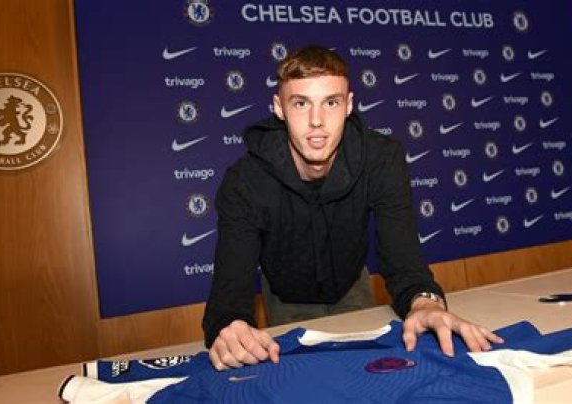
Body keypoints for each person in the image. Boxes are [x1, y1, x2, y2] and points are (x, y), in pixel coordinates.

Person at [202, 45, 502, 371]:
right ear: (279, 108)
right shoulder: (244, 180)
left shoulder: (382, 158)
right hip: (285, 293)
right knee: (301, 378)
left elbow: (404, 259)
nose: (317, 121)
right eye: (301, 103)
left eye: (331, 102)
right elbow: (230, 290)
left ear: (349, 105)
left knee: (368, 373)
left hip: (351, 281)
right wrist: (229, 326)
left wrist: (425, 304)